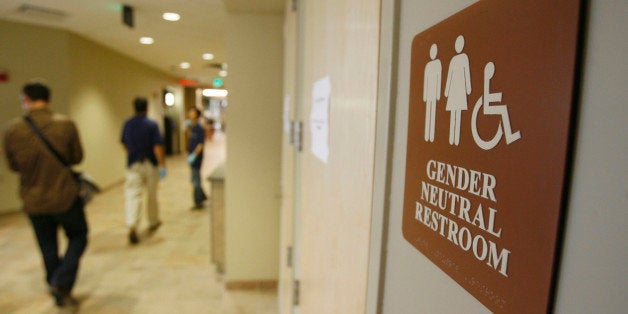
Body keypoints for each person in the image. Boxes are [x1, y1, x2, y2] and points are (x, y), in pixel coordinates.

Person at [3, 82, 88, 308]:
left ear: (25, 99)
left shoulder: (12, 129)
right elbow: (77, 157)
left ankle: (55, 282)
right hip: (65, 196)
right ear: (48, 99)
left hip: (33, 199)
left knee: (47, 245)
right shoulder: (65, 125)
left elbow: (12, 165)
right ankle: (62, 282)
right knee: (79, 235)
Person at [121, 97, 166, 244]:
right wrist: (162, 164)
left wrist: (132, 154)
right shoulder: (151, 124)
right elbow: (157, 146)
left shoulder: (127, 124)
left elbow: (124, 143)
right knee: (151, 194)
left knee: (133, 194)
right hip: (150, 163)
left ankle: (132, 225)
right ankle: (153, 221)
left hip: (133, 164)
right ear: (146, 108)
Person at [186, 107, 208, 209]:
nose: (189, 113)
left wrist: (194, 155)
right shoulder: (192, 128)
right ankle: (202, 196)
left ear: (196, 115)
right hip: (192, 156)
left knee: (196, 179)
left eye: (192, 112)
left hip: (197, 158)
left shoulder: (199, 128)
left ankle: (198, 201)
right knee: (195, 177)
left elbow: (200, 144)